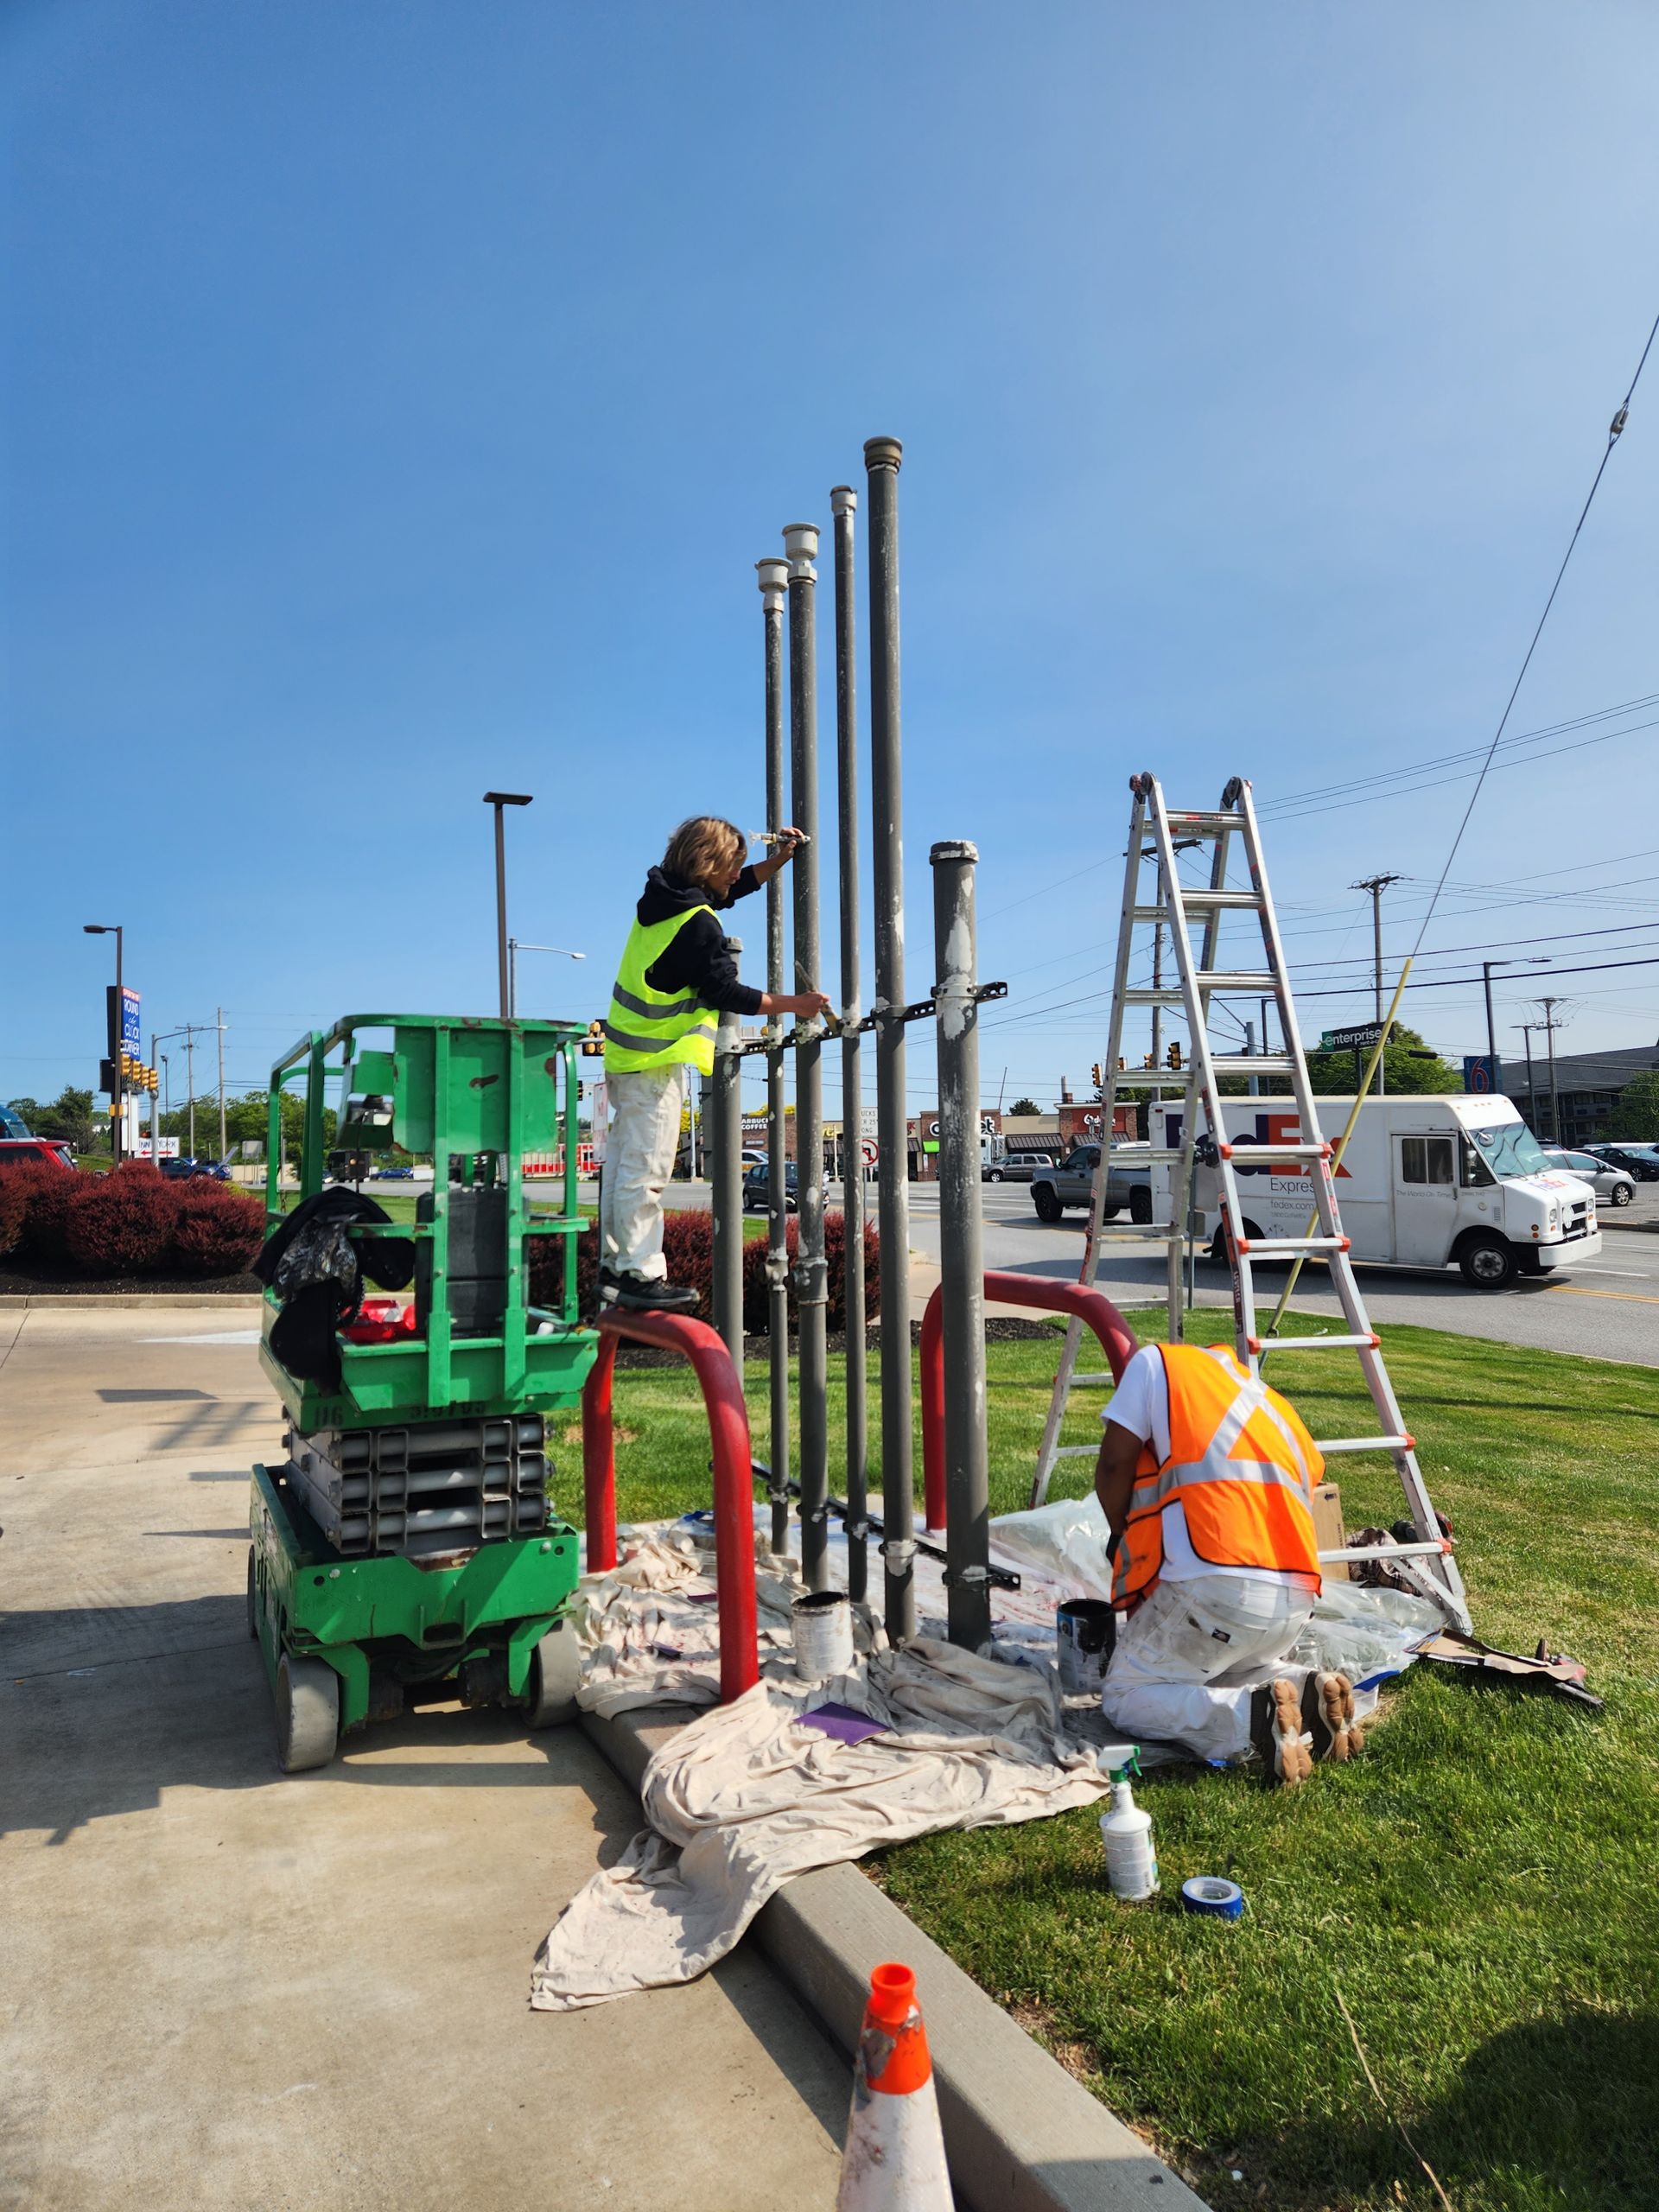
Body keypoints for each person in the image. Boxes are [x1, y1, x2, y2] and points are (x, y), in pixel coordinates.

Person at [1092, 1338, 1364, 1783]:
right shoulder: (1275, 1407)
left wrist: (1120, 1535)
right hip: (1295, 1601)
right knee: (1234, 1665)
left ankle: (1248, 1722)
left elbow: (1113, 1465)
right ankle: (1306, 1685)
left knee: (1127, 1693)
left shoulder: (1157, 1363)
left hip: (1217, 1587)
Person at [598, 816, 831, 1313]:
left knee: (622, 1165)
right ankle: (640, 1274)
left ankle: (615, 1268)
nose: (735, 876)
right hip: (655, 1061)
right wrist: (796, 1005)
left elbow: (726, 894)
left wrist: (776, 863)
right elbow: (724, 990)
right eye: (731, 866)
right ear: (708, 863)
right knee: (647, 1170)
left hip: (627, 1055)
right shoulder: (698, 924)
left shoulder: (664, 900)